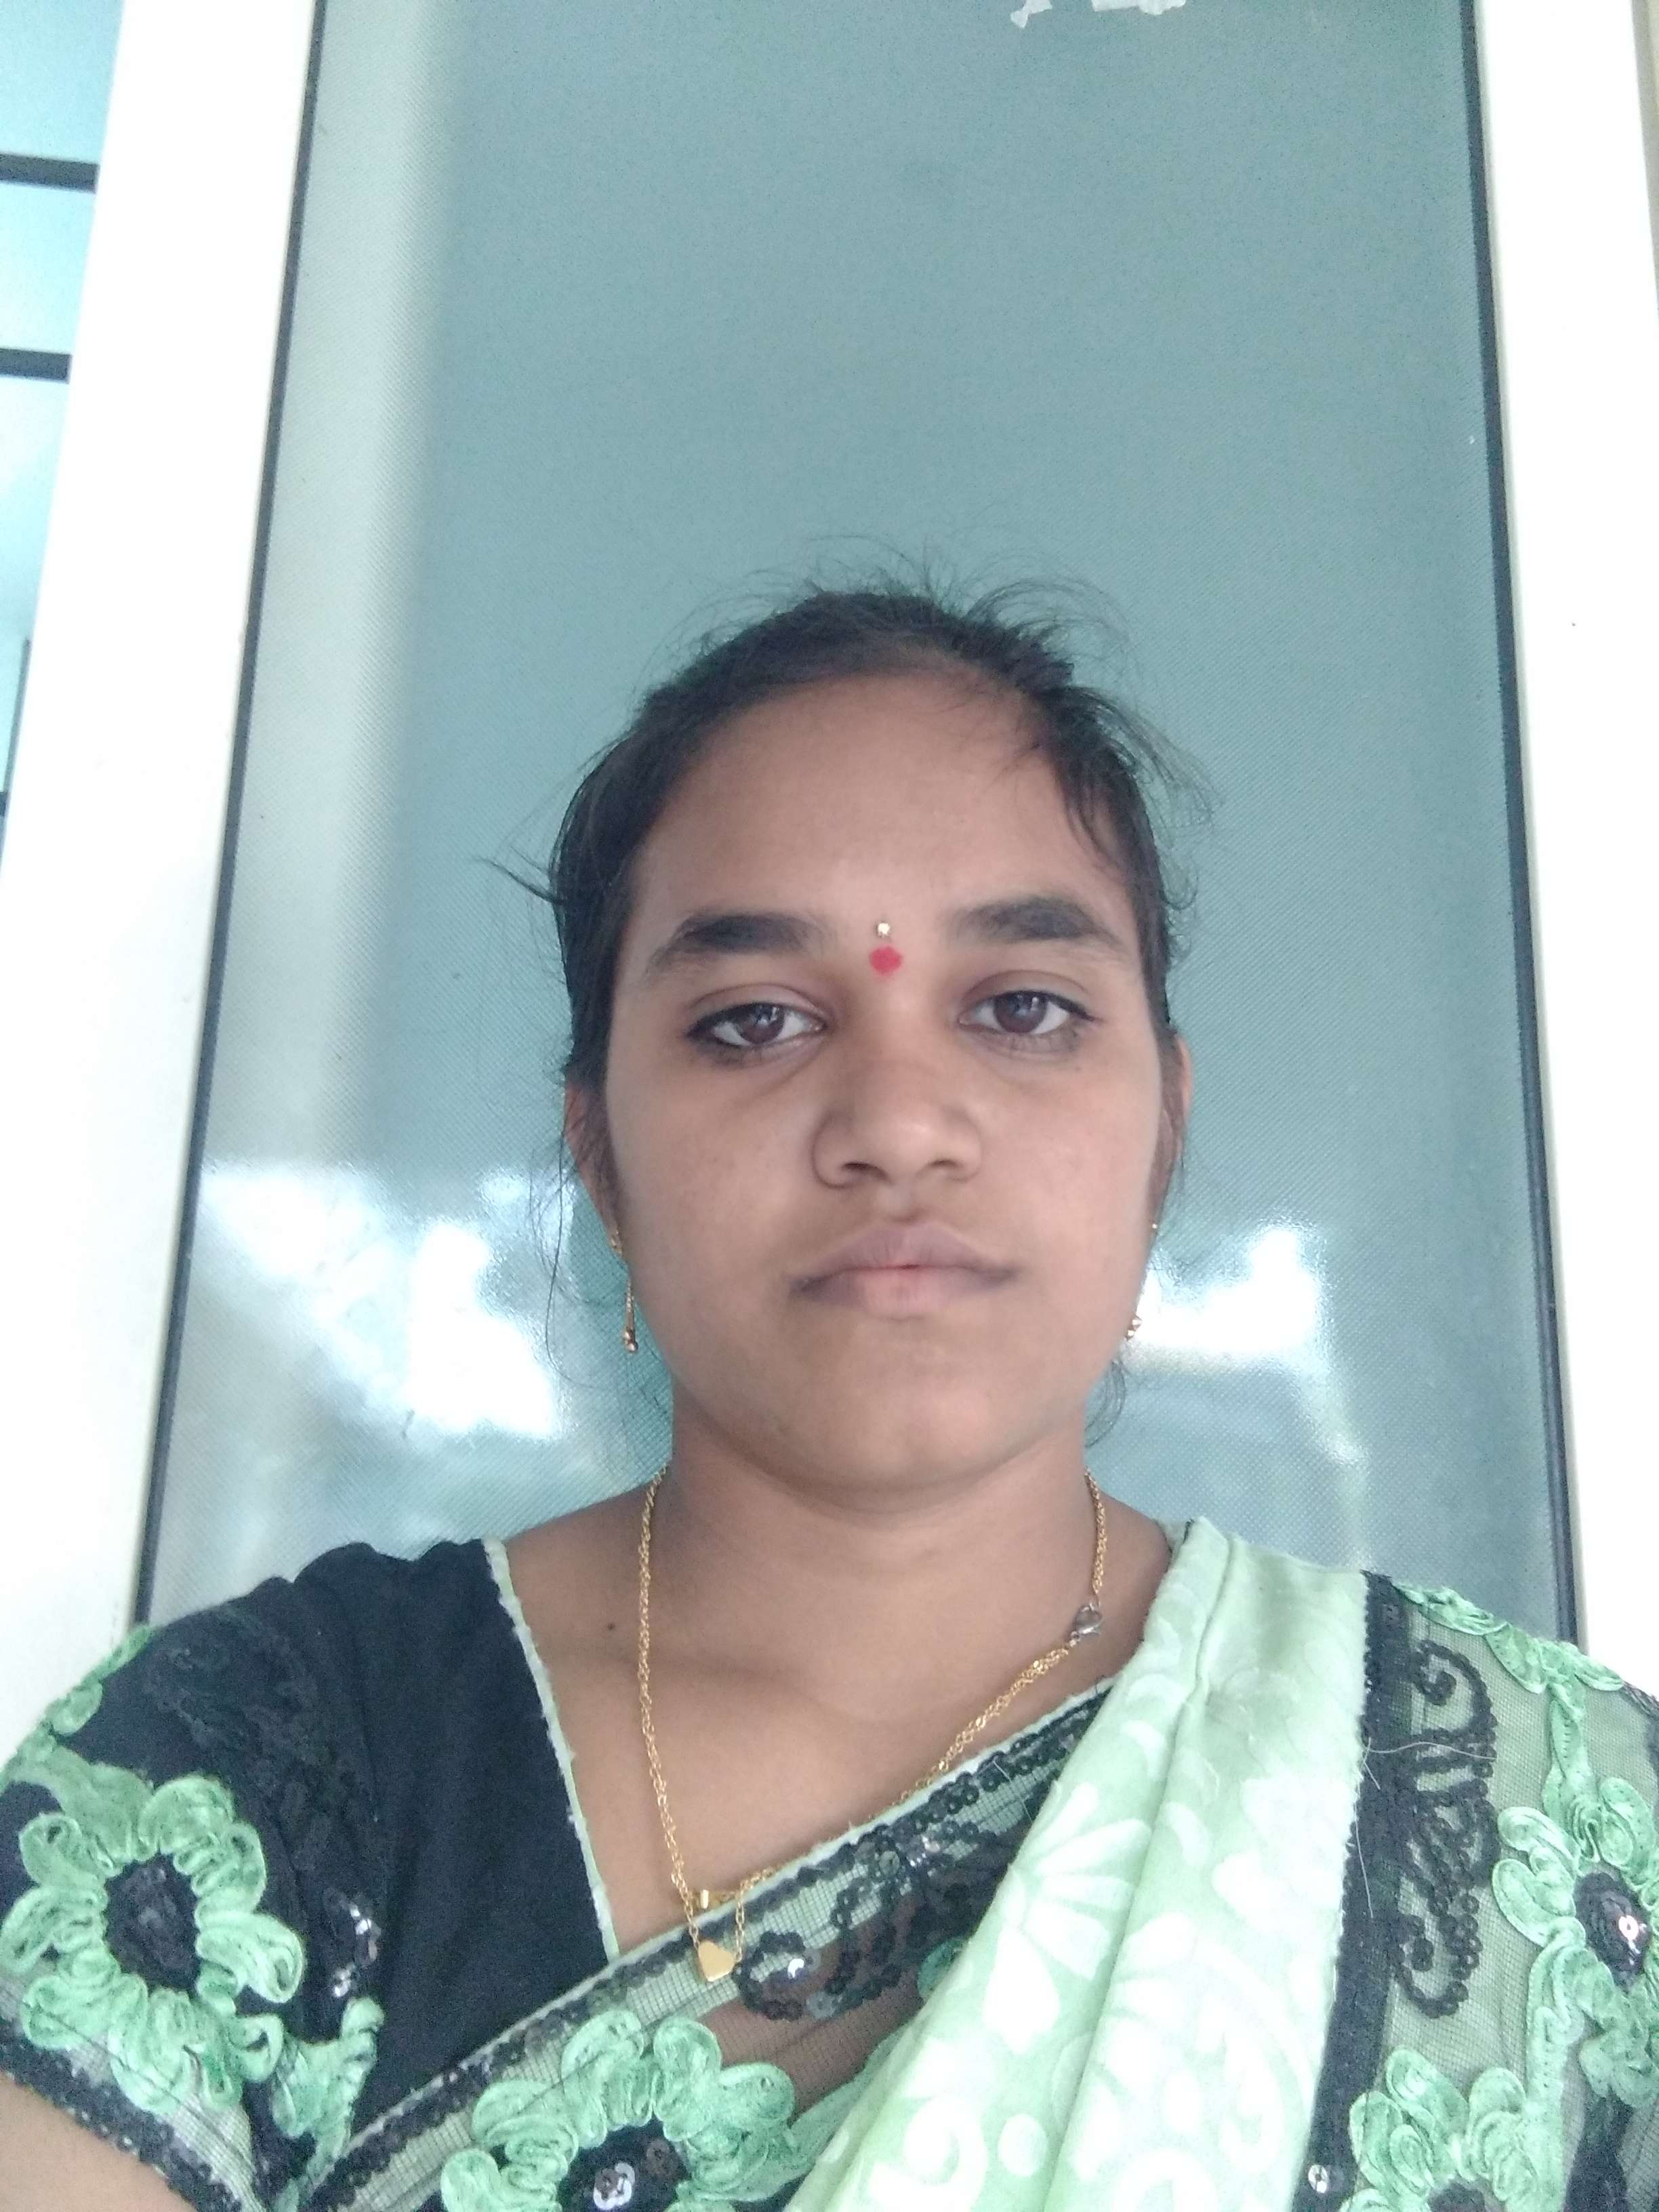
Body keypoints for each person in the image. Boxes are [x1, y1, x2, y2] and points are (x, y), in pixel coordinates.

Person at [3, 582, 1656, 2212]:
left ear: (1164, 1130)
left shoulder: (1559, 1825)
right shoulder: (236, 1798)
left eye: (1022, 1009)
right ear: (602, 1156)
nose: (898, 1122)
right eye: (755, 1022)